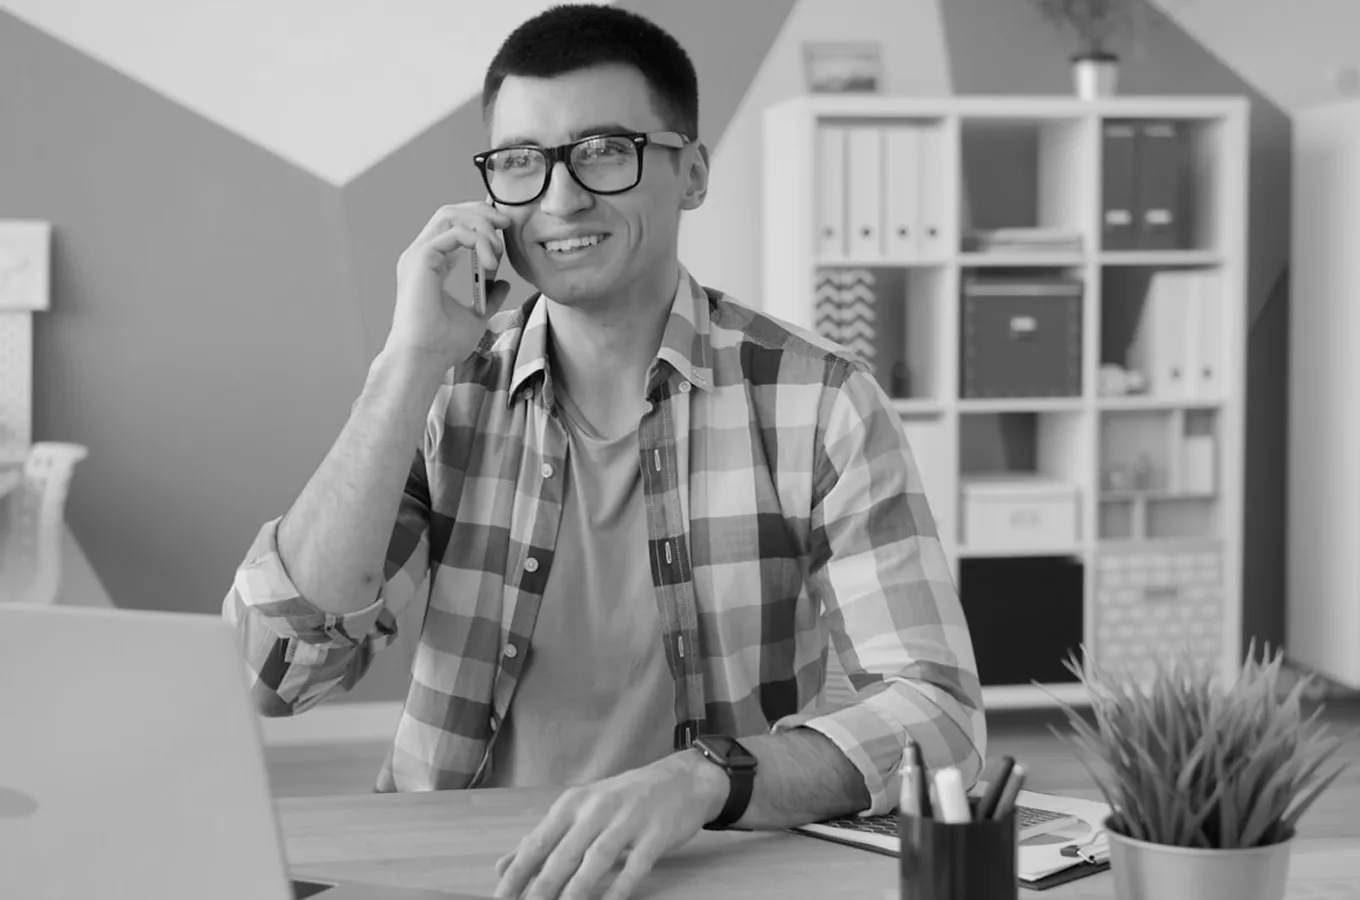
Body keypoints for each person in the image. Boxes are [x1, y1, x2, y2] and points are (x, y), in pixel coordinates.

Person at [223, 5, 985, 899]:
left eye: (604, 151)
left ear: (691, 172)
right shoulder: (445, 390)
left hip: (705, 867)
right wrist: (407, 363)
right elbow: (272, 672)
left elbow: (939, 715)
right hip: (458, 870)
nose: (559, 197)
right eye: (521, 163)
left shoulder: (822, 402)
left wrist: (705, 780)